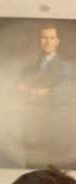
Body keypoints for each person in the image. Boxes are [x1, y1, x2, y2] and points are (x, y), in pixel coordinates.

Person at [16, 25, 74, 168]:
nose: (47, 41)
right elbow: (17, 93)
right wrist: (44, 90)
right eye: (44, 38)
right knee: (30, 180)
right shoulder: (29, 67)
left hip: (54, 134)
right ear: (39, 41)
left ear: (57, 41)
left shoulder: (65, 67)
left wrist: (31, 91)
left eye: (51, 38)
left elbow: (58, 95)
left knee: (53, 182)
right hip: (31, 134)